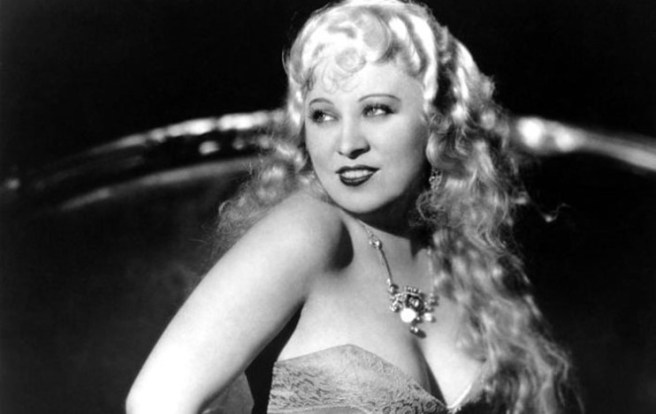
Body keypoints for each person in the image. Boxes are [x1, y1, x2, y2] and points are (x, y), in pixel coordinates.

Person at [126, 0, 576, 413]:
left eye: (376, 109)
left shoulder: (459, 260)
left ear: (436, 122)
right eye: (323, 115)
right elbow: (154, 402)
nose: (347, 143)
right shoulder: (308, 230)